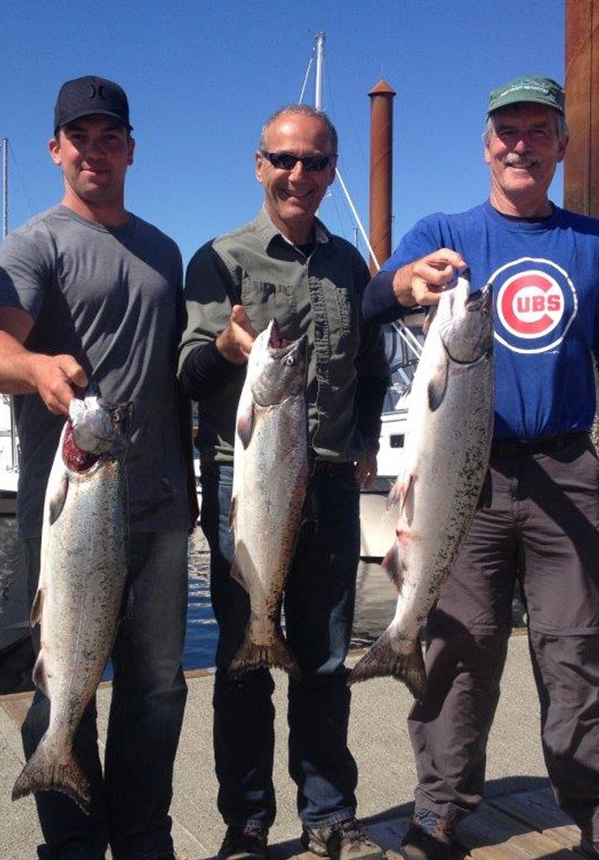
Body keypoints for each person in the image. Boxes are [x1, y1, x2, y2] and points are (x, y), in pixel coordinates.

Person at [362, 76, 599, 860]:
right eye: (507, 131)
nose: (521, 145)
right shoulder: (444, 230)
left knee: (580, 647)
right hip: (463, 476)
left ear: (561, 145)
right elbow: (378, 297)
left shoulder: (596, 244)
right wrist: (407, 284)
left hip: (566, 466)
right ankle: (439, 811)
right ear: (486, 145)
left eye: (538, 131)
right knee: (458, 648)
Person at [0, 75, 191, 860]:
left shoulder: (164, 250)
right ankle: (71, 840)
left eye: (110, 137)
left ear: (131, 148)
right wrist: (34, 370)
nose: (95, 150)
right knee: (61, 679)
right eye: (80, 137)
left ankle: (142, 837)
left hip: (163, 508)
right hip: (69, 507)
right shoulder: (35, 242)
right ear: (55, 148)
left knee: (158, 688)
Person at [180, 104, 391, 860]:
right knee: (243, 661)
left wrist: (367, 438)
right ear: (261, 164)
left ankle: (330, 815)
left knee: (326, 661)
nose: (300, 175)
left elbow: (375, 369)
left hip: (330, 487)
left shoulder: (348, 266)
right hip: (249, 483)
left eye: (316, 161)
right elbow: (190, 370)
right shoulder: (220, 259)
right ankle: (246, 824)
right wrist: (232, 352)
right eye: (286, 160)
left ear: (333, 172)